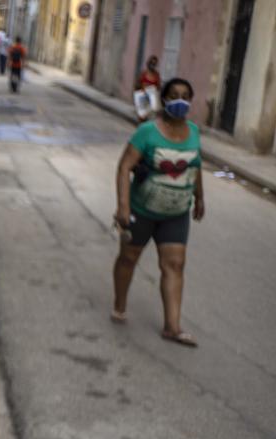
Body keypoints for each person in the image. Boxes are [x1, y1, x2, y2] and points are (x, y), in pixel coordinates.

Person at [112, 78, 205, 346]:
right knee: (128, 259)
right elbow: (124, 167)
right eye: (174, 95)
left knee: (174, 265)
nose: (180, 100)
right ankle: (119, 304)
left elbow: (195, 165)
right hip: (143, 210)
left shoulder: (194, 133)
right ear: (164, 99)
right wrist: (123, 206)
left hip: (176, 213)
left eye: (186, 96)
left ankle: (172, 327)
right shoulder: (147, 132)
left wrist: (199, 197)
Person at [133, 56, 161, 123]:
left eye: (154, 64)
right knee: (141, 117)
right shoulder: (143, 74)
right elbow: (137, 85)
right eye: (151, 63)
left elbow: (158, 87)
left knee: (150, 117)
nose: (152, 65)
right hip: (143, 97)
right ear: (148, 63)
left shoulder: (156, 75)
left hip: (151, 98)